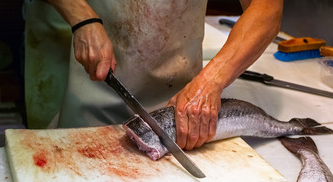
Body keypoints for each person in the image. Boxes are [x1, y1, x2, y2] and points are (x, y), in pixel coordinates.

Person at [45, 0, 283, 150]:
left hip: (182, 119)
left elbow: (266, 7)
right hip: (91, 108)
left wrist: (210, 81)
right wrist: (81, 17)